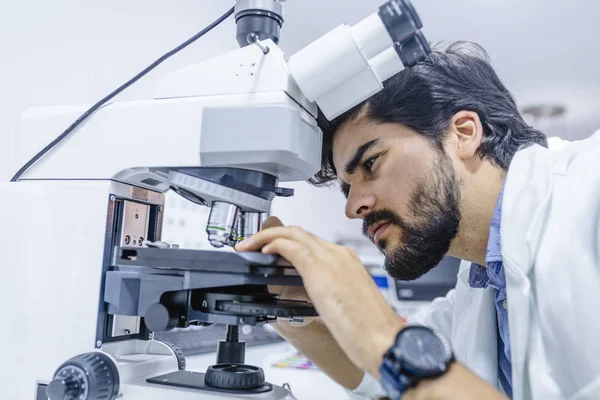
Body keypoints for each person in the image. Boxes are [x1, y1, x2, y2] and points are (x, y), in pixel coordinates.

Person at [235, 42, 600, 399]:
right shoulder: (481, 287)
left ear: (463, 133)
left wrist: (385, 339)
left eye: (371, 163)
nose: (353, 208)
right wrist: (289, 307)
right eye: (347, 190)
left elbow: (398, 362)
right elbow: (384, 380)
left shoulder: (589, 191)